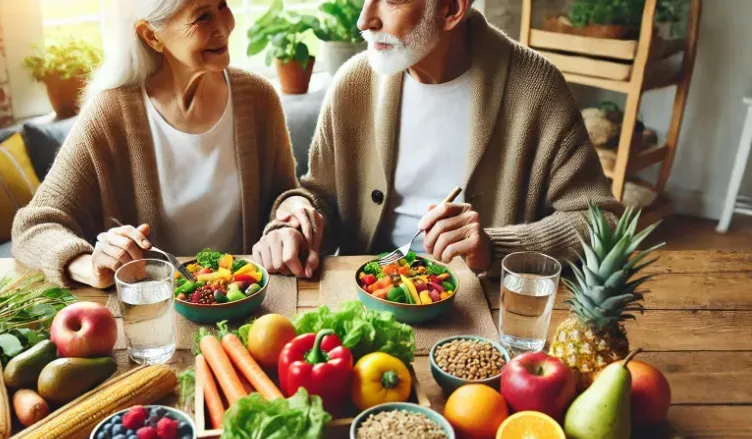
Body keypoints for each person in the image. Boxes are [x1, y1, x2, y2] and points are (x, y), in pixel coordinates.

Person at [267, 0, 622, 276]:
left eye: (392, 1)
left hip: (487, 306)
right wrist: (298, 221)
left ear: (451, 8)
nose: (364, 21)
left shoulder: (537, 89)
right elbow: (321, 197)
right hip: (368, 294)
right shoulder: (353, 83)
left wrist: (494, 248)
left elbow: (603, 221)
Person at [13, 0, 311, 288]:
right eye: (202, 17)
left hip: (247, 301)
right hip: (152, 315)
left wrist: (290, 213)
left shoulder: (258, 98)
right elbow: (33, 228)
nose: (223, 26)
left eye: (222, 5)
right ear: (151, 36)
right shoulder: (111, 114)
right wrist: (90, 265)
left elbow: (282, 193)